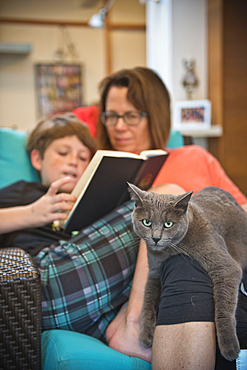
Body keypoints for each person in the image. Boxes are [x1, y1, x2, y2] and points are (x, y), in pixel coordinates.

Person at [96, 66, 247, 369]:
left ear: (156, 115)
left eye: (132, 115)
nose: (119, 126)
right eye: (111, 116)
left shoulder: (194, 157)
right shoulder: (102, 172)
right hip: (164, 278)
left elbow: (239, 211)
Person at [0, 112, 183, 345]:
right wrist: (33, 213)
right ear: (37, 159)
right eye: (63, 153)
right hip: (41, 284)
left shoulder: (91, 200)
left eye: (83, 157)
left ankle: (125, 321)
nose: (73, 161)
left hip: (91, 303)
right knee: (167, 194)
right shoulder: (24, 191)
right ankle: (134, 324)